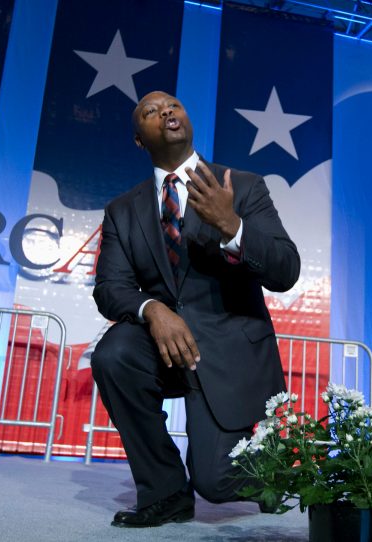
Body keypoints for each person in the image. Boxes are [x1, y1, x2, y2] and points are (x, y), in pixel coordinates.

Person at [90, 91, 300, 528]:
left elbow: (286, 270)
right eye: (151, 111)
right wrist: (152, 309)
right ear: (138, 140)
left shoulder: (241, 185)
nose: (166, 111)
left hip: (229, 353)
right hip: (168, 346)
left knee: (218, 482)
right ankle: (164, 491)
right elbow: (110, 288)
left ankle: (274, 470)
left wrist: (233, 227)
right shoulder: (122, 211)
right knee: (114, 353)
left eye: (174, 105)